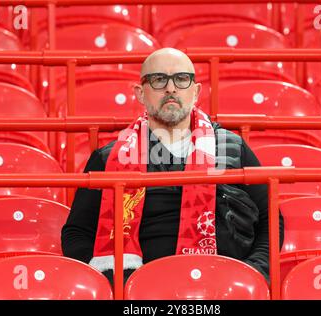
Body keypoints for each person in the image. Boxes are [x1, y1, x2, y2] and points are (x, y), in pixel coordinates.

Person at [61, 48, 284, 284]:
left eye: (181, 79)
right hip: (143, 291)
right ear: (140, 93)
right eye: (158, 79)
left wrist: (254, 272)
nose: (171, 88)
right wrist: (119, 282)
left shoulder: (233, 147)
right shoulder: (108, 158)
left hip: (227, 284)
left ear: (196, 91)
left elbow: (270, 218)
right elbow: (77, 233)